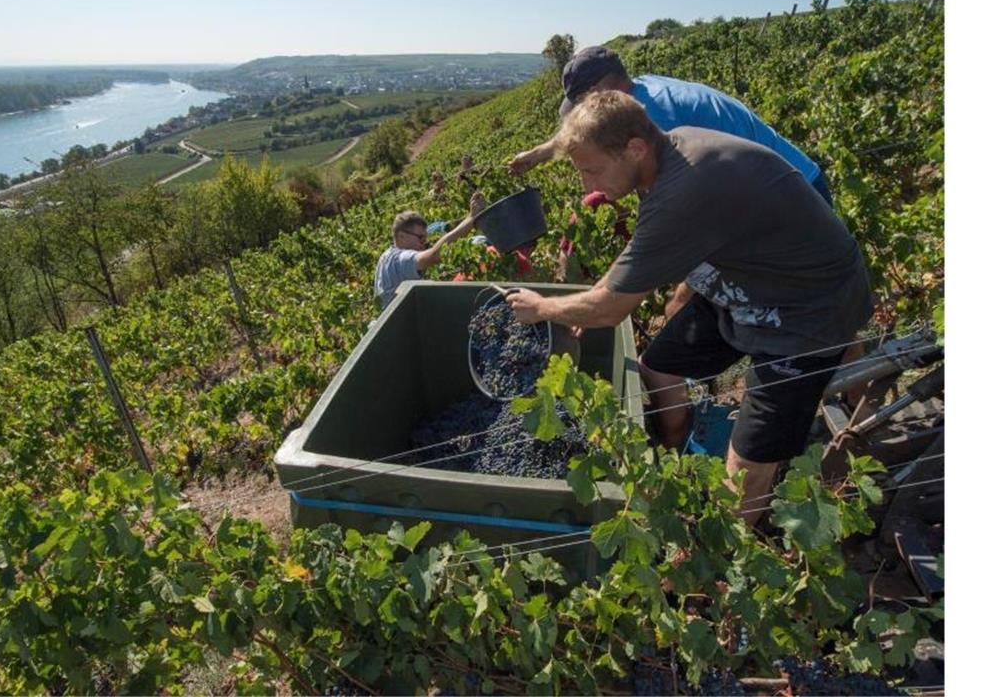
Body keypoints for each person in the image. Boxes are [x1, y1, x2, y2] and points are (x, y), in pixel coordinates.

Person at [505, 91, 872, 525]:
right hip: (743, 284)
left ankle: (727, 566)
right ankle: (672, 452)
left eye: (592, 170)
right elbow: (655, 263)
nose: (588, 186)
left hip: (804, 311)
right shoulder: (667, 150)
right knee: (658, 367)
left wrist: (545, 308)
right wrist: (647, 304)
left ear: (634, 148)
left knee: (745, 468)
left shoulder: (686, 190)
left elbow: (609, 309)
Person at [517, 45, 835, 314]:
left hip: (792, 197)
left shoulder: (657, 120)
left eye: (581, 105)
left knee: (811, 311)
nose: (581, 115)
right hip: (782, 183)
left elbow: (691, 218)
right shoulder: (641, 91)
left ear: (601, 93)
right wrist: (541, 152)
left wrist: (674, 290)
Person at [374, 192, 485, 310]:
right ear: (401, 236)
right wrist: (471, 219)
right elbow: (434, 255)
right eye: (420, 238)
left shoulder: (386, 256)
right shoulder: (400, 259)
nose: (424, 244)